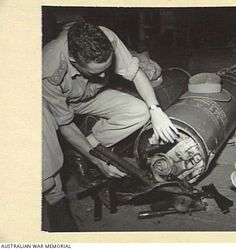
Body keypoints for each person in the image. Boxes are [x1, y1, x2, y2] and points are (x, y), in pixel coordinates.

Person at [42, 21, 178, 231]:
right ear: (72, 59)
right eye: (97, 72)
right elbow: (65, 123)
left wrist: (155, 110)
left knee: (139, 111)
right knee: (42, 120)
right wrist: (97, 161)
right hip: (61, 104)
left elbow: (135, 74)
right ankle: (69, 177)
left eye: (107, 68)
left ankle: (88, 145)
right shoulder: (48, 68)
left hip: (91, 96)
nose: (106, 76)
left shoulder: (106, 37)